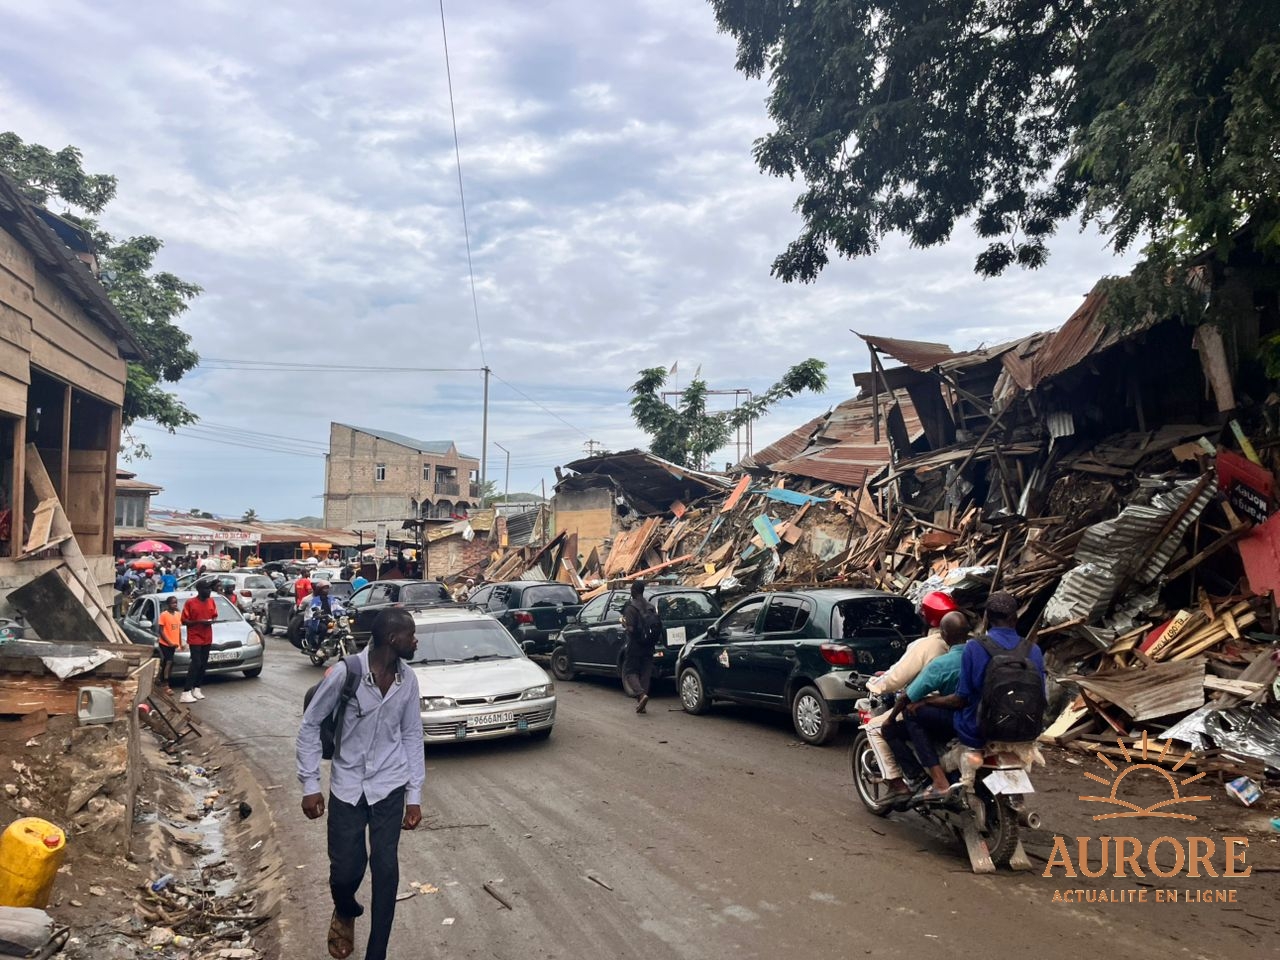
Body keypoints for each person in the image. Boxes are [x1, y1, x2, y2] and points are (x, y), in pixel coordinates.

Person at [296, 608, 425, 960]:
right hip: (348, 786)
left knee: (385, 868)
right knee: (345, 872)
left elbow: (412, 735)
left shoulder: (408, 680)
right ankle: (346, 908)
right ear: (392, 639)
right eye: (411, 635)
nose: (416, 641)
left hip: (389, 784)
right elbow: (310, 725)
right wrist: (310, 785)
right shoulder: (345, 674)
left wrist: (414, 795)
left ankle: (376, 953)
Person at [861, 591, 956, 796]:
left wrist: (876, 685)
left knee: (876, 728)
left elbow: (897, 678)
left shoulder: (926, 645)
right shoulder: (965, 642)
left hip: (928, 706)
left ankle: (901, 782)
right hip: (957, 707)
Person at [880, 611, 971, 799]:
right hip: (979, 717)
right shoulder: (979, 655)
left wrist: (889, 719)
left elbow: (907, 696)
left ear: (943, 635)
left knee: (909, 714)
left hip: (955, 719)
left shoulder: (941, 664)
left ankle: (935, 780)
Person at [620, 581, 661, 714]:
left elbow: (631, 629)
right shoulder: (650, 607)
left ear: (634, 591)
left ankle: (641, 695)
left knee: (629, 671)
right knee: (645, 672)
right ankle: (642, 701)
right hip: (649, 645)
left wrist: (625, 624)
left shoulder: (631, 608)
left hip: (635, 645)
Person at [179, 580, 218, 703]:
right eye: (206, 588)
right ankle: (185, 691)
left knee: (203, 663)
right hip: (195, 636)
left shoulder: (211, 601)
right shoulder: (190, 603)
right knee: (196, 662)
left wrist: (211, 621)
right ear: (199, 590)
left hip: (207, 635)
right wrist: (200, 622)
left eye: (210, 588)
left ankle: (197, 688)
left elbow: (214, 615)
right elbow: (184, 621)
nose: (209, 591)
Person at [305, 579, 345, 651]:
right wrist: (317, 613)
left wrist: (344, 611)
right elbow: (313, 608)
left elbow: (337, 606)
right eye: (324, 588)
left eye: (327, 588)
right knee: (323, 628)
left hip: (331, 619)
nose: (326, 590)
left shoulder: (331, 598)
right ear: (320, 589)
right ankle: (318, 646)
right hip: (320, 620)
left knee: (341, 629)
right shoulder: (315, 599)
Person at [156, 595, 184, 692]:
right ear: (168, 604)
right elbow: (161, 630)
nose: (174, 604)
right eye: (172, 603)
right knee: (169, 661)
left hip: (174, 643)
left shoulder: (178, 615)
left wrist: (181, 643)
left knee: (167, 662)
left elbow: (179, 631)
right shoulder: (164, 615)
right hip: (165, 643)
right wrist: (169, 642)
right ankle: (166, 684)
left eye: (176, 602)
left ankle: (160, 678)